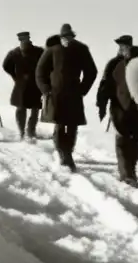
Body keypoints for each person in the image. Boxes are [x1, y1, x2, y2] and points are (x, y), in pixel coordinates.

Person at [96, 34, 138, 187]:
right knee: (122, 139)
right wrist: (102, 103)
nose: (124, 49)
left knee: (136, 140)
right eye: (121, 47)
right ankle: (126, 174)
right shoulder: (114, 64)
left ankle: (131, 168)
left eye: (126, 46)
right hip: (119, 108)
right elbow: (105, 84)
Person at [36, 23, 98, 171]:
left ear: (73, 37)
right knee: (59, 125)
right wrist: (46, 90)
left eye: (70, 37)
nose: (67, 40)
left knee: (72, 126)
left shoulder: (81, 50)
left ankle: (68, 154)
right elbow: (40, 72)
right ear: (60, 37)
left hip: (74, 94)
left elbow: (91, 71)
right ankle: (62, 154)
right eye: (64, 37)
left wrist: (83, 89)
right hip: (55, 94)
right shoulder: (52, 51)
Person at [2, 31, 43, 141]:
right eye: (22, 40)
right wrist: (15, 76)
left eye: (26, 39)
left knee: (35, 109)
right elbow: (6, 65)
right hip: (21, 85)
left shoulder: (39, 51)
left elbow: (46, 64)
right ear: (19, 41)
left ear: (29, 39)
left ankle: (31, 131)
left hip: (35, 84)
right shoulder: (14, 53)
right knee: (21, 108)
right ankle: (21, 131)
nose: (24, 41)